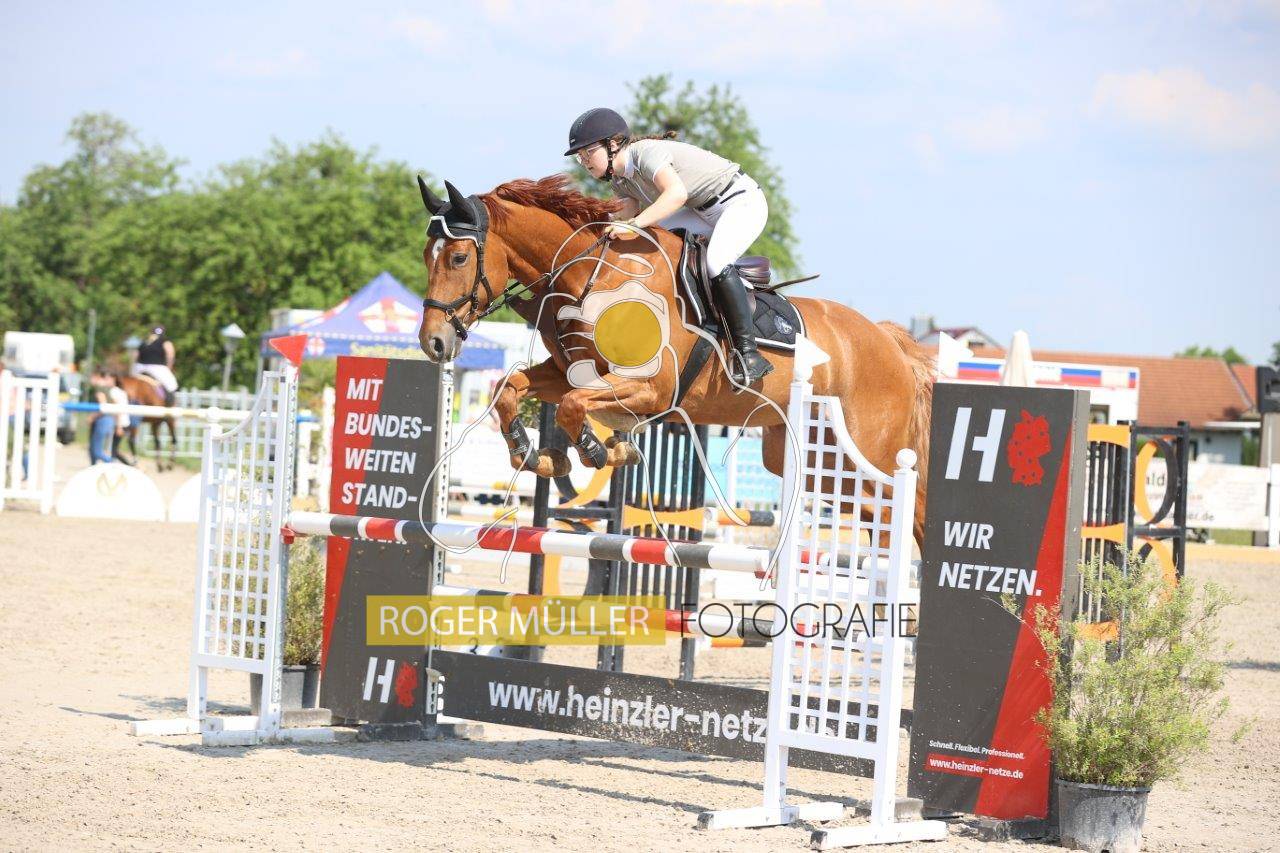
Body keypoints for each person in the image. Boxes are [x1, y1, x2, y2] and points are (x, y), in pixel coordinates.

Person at [564, 107, 773, 388]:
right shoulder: (620, 178)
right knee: (655, 240)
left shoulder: (645, 154)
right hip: (702, 211)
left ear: (612, 144)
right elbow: (625, 213)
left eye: (588, 152)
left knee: (715, 262)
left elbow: (676, 194)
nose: (584, 161)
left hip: (740, 202)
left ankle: (749, 354)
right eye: (580, 157)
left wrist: (634, 224)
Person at [133, 326, 177, 404]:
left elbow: (135, 356)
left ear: (151, 333)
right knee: (172, 385)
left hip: (139, 367)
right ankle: (170, 404)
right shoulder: (165, 342)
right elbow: (170, 355)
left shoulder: (144, 342)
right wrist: (169, 367)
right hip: (158, 368)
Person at [86, 369, 122, 465]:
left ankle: (115, 465)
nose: (90, 380)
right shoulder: (106, 388)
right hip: (107, 420)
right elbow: (115, 403)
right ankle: (94, 469)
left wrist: (92, 417)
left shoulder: (99, 388)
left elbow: (103, 405)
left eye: (91, 377)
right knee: (93, 450)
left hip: (102, 420)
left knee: (96, 451)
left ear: (97, 377)